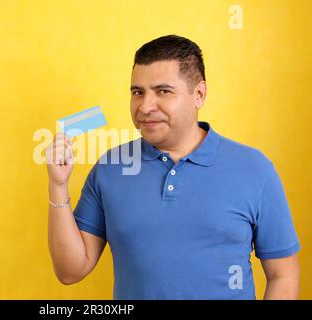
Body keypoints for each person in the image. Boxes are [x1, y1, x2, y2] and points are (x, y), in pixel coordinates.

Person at [45, 35, 300, 299]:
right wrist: (58, 185)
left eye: (163, 91)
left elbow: (284, 274)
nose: (145, 106)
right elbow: (70, 271)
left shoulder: (254, 169)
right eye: (137, 92)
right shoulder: (110, 168)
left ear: (199, 94)